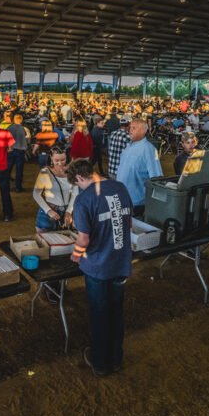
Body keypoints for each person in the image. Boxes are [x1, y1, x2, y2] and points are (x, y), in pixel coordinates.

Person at [67, 159, 132, 377]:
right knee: (116, 311)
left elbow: (83, 240)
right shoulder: (120, 187)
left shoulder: (84, 199)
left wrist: (76, 256)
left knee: (99, 313)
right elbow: (128, 223)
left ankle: (99, 362)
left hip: (97, 266)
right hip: (120, 261)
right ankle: (115, 359)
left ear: (78, 178)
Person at [115, 119, 163, 216]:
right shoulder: (129, 145)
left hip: (136, 201)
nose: (130, 130)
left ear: (143, 131)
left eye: (134, 128)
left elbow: (156, 177)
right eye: (130, 127)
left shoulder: (149, 149)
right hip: (122, 197)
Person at [32, 146, 77, 232]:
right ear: (51, 158)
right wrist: (48, 210)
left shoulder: (72, 172)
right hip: (47, 215)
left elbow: (75, 193)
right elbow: (36, 194)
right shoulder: (45, 172)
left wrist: (68, 211)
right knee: (45, 242)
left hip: (65, 213)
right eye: (57, 160)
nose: (60, 163)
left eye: (63, 160)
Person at [7, 114, 29, 192]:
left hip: (11, 150)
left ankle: (6, 186)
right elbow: (27, 138)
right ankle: (18, 187)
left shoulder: (9, 128)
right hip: (20, 150)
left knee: (8, 169)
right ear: (21, 120)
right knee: (19, 170)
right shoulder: (23, 129)